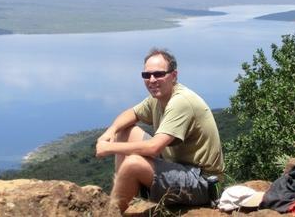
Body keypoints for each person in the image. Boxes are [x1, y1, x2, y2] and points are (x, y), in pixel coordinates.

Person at [95, 48, 224, 212]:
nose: (152, 80)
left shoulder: (181, 102)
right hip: (177, 165)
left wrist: (109, 147)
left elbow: (154, 147)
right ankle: (128, 195)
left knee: (132, 164)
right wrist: (110, 132)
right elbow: (132, 113)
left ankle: (114, 212)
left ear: (174, 75)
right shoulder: (159, 98)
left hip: (201, 181)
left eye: (159, 74)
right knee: (125, 132)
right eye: (146, 75)